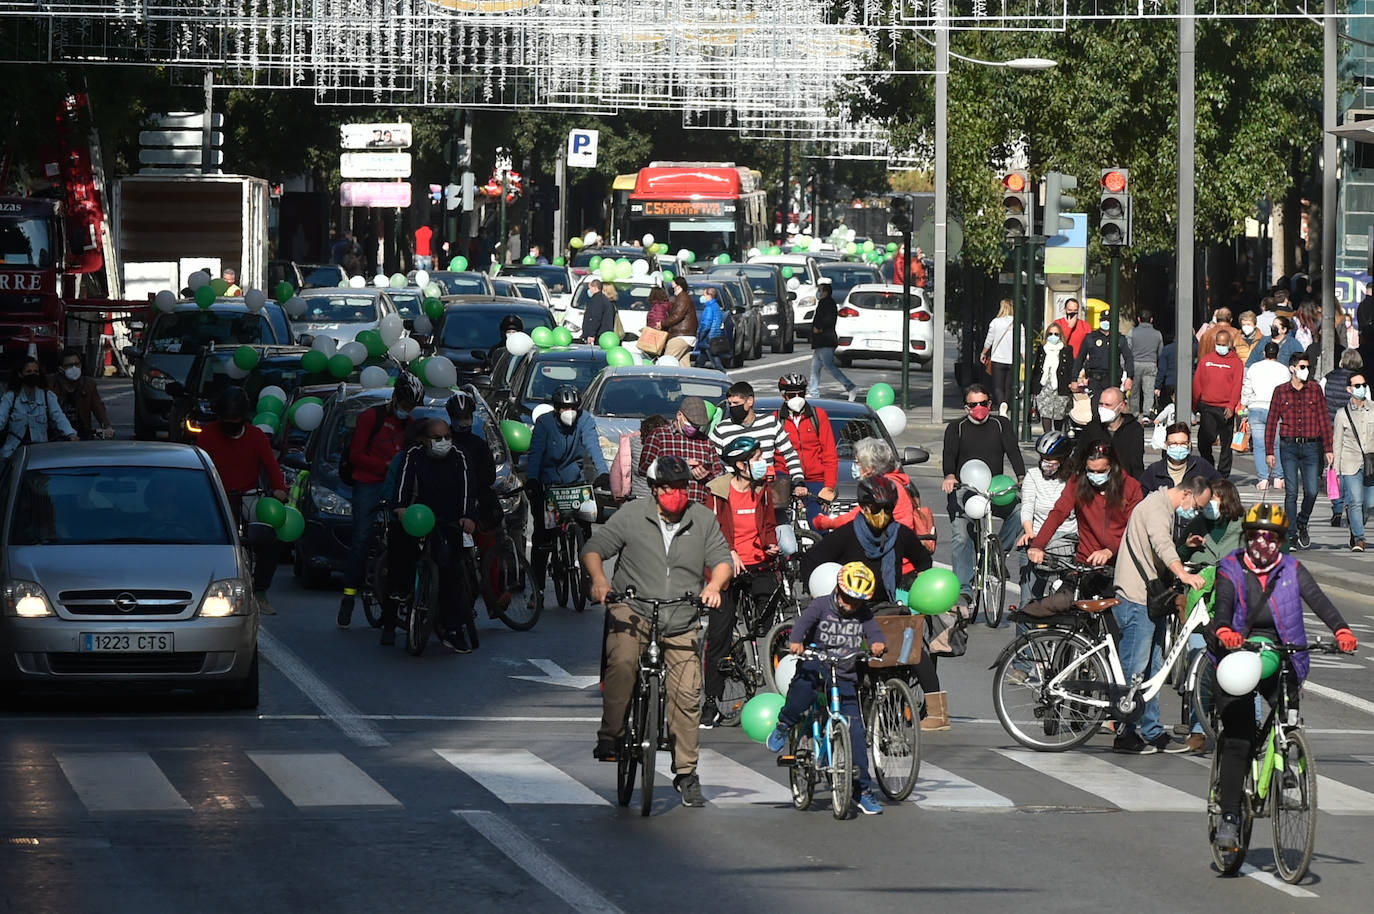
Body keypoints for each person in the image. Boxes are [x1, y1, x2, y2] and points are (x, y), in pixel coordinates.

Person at [583, 455, 732, 807]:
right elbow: (594, 549)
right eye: (668, 488)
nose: (675, 494)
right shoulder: (633, 516)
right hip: (632, 607)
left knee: (687, 692)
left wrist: (714, 587)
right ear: (653, 489)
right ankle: (611, 735)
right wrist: (601, 581)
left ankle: (686, 773)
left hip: (681, 614)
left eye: (681, 488)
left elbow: (722, 560)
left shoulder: (702, 518)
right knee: (622, 663)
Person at [1209, 503, 1358, 853]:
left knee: (1288, 712)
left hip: (1282, 652)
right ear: (1246, 538)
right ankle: (1230, 818)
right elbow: (1223, 611)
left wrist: (1342, 630)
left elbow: (1319, 601)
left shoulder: (1292, 569)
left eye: (1272, 537)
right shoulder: (1230, 568)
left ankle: (1286, 757)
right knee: (1239, 738)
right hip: (1237, 657)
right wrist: (1226, 632)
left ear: (1282, 540)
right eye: (1257, 536)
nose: (1264, 543)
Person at [799, 477, 942, 727]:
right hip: (852, 609)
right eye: (877, 509)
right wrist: (819, 592)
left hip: (886, 607)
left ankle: (938, 714)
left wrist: (915, 582)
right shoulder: (846, 535)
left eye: (888, 508)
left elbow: (923, 560)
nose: (883, 514)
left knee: (913, 649)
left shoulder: (899, 534)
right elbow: (811, 561)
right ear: (864, 508)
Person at [764, 562, 888, 816]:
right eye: (847, 598)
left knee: (855, 733)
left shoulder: (862, 613)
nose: (851, 605)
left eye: (857, 601)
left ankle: (862, 791)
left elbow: (874, 631)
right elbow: (802, 623)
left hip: (844, 675)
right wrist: (797, 641)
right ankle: (785, 724)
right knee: (802, 693)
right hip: (816, 665)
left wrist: (876, 643)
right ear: (838, 590)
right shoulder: (821, 605)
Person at [1110, 475, 1212, 754]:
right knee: (1135, 667)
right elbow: (1161, 546)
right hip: (1135, 597)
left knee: (1154, 668)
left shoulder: (1162, 507)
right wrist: (1184, 574)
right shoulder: (1156, 508)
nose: (1197, 512)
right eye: (1198, 506)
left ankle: (1153, 731)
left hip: (1148, 598)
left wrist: (1184, 549)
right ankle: (1125, 732)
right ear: (1188, 494)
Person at [702, 437, 780, 727]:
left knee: (772, 602)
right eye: (757, 458)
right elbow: (710, 532)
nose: (762, 463)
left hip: (759, 564)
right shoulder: (716, 492)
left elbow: (769, 524)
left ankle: (761, 647)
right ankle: (711, 701)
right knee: (718, 636)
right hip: (726, 569)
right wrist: (729, 552)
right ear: (739, 464)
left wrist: (771, 544)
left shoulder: (763, 490)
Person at [387, 417, 481, 651]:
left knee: (451, 571)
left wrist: (468, 516)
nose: (443, 442)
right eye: (437, 438)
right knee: (400, 545)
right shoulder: (413, 455)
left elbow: (469, 489)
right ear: (424, 440)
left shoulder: (460, 456)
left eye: (447, 437)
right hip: (417, 515)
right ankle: (402, 588)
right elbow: (403, 483)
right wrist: (400, 507)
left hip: (449, 520)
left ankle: (452, 629)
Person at [338, 373, 422, 629]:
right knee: (361, 538)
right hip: (369, 482)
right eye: (404, 405)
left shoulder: (411, 425)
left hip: (397, 485)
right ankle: (349, 595)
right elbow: (356, 455)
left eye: (410, 408)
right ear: (395, 397)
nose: (405, 411)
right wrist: (385, 465)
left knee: (404, 537)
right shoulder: (370, 418)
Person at [195, 388, 288, 615]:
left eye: (235, 421)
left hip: (249, 496)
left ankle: (261, 592)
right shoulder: (207, 435)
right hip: (215, 499)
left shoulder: (256, 436)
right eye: (226, 421)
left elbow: (271, 466)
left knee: (269, 540)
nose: (230, 425)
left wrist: (280, 489)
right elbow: (199, 468)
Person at [527, 384, 610, 609]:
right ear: (556, 409)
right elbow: (535, 454)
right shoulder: (544, 423)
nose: (569, 411)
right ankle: (538, 590)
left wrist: (603, 473)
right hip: (548, 483)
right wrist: (532, 480)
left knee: (585, 530)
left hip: (575, 482)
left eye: (572, 407)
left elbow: (593, 447)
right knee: (543, 539)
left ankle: (590, 579)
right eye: (564, 407)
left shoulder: (585, 421)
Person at [941, 383, 1024, 597]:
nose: (979, 408)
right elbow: (948, 457)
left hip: (994, 488)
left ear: (990, 403)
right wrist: (950, 476)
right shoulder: (956, 428)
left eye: (983, 403)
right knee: (961, 537)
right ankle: (964, 591)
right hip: (965, 490)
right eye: (974, 404)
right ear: (966, 407)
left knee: (1020, 510)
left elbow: (1013, 452)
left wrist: (1022, 477)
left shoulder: (1001, 424)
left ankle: (996, 554)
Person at [1028, 439, 1143, 587]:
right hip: (1086, 563)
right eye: (1091, 471)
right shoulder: (1077, 483)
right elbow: (1058, 513)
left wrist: (1110, 550)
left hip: (1122, 565)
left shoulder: (1131, 487)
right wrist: (1038, 545)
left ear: (1112, 468)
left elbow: (1135, 527)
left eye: (1101, 471)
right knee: (1057, 604)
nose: (1095, 475)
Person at [447, 391, 508, 619]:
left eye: (467, 418)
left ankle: (494, 598)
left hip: (479, 511)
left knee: (489, 551)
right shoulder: (444, 443)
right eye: (459, 418)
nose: (463, 423)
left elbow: (490, 477)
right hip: (451, 510)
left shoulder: (479, 444)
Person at [1264, 353, 1334, 550]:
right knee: (1291, 492)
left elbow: (1324, 419)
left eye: (1308, 367)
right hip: (1289, 447)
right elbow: (1271, 421)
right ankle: (1292, 533)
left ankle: (1302, 521)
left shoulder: (1314, 390)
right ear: (1292, 368)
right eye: (1302, 366)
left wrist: (1328, 447)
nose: (1306, 370)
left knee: (1312, 491)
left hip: (1312, 446)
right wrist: (1269, 451)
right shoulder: (1281, 391)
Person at [709, 381, 807, 502]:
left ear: (750, 401)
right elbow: (713, 460)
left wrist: (798, 481)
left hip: (766, 491)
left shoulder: (770, 423)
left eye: (736, 403)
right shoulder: (722, 429)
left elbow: (790, 454)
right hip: (735, 493)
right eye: (730, 404)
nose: (733, 407)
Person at [1017, 432, 1078, 608]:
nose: (1046, 462)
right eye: (1043, 458)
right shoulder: (1033, 476)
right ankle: (1026, 634)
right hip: (1037, 538)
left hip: (1068, 542)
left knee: (1070, 601)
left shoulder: (1074, 479)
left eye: (1052, 459)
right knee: (1027, 603)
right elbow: (1027, 505)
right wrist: (1029, 531)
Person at [775, 374, 838, 524]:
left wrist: (828, 487)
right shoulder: (776, 419)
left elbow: (830, 455)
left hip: (815, 480)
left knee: (819, 524)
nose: (797, 398)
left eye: (801, 394)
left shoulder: (818, 416)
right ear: (783, 396)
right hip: (785, 478)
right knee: (779, 527)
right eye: (792, 395)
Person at [638, 396, 722, 505]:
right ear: (679, 415)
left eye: (697, 426)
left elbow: (719, 473)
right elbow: (644, 468)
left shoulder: (705, 442)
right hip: (665, 505)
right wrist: (678, 466)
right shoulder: (659, 435)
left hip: (697, 506)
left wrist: (706, 472)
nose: (694, 428)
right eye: (691, 423)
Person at [0, 357, 78, 459]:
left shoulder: (47, 396)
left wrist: (71, 434)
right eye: (28, 371)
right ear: (20, 374)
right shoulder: (10, 397)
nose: (33, 374)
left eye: (35, 371)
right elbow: (1, 418)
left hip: (40, 453)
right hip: (12, 455)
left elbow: (59, 417)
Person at [1192, 326, 1244, 478]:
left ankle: (1223, 474)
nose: (1220, 347)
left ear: (1229, 344)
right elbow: (1198, 382)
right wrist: (1194, 405)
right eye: (1218, 344)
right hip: (1207, 406)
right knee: (1204, 440)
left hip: (1225, 407)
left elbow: (1237, 385)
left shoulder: (1236, 363)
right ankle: (1208, 465)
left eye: (1223, 344)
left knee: (1226, 444)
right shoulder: (1206, 360)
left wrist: (1231, 405)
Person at [1332, 371, 1374, 551]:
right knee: (1355, 501)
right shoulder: (1342, 414)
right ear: (1349, 389)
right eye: (1357, 386)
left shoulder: (1373, 409)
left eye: (1363, 385)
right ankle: (1359, 538)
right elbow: (1337, 442)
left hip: (1370, 463)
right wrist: (1336, 470)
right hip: (1350, 462)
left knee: (1369, 504)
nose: (1361, 388)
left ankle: (1355, 527)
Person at [1322, 349, 1364, 528]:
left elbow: (1320, 398)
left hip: (1330, 427)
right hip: (1353, 431)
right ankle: (1348, 503)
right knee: (1350, 470)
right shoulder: (1360, 382)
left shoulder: (1328, 377)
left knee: (1333, 468)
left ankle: (1337, 506)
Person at [1241, 342, 1290, 491]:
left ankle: (1263, 479)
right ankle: (1278, 477)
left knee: (1259, 445)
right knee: (1275, 445)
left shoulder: (1254, 368)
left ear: (1264, 353)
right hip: (1275, 409)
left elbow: (1246, 388)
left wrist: (1244, 404)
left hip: (1256, 408)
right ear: (1278, 354)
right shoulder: (1284, 370)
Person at [1074, 386, 1145, 481]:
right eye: (1101, 404)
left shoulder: (1134, 429)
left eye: (1108, 405)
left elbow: (1136, 465)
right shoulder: (1091, 428)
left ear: (1121, 407)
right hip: (1094, 483)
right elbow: (1078, 458)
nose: (1103, 408)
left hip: (1123, 484)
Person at [808, 277, 858, 400]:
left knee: (829, 366)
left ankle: (850, 386)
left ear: (825, 292)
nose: (818, 292)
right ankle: (813, 392)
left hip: (826, 340)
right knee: (815, 367)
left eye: (820, 290)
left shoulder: (828, 303)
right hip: (821, 341)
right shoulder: (824, 303)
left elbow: (829, 320)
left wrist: (819, 328)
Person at [49, 348, 113, 440]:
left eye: (77, 364)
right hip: (56, 436)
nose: (74, 368)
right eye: (69, 365)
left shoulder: (89, 384)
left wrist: (107, 426)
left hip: (82, 435)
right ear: (61, 368)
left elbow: (98, 407)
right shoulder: (51, 384)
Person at [1070, 312, 1134, 401]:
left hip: (1113, 379)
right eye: (1103, 320)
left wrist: (1129, 377)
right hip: (1095, 379)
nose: (1106, 322)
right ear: (1100, 321)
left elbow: (1128, 358)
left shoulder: (1119, 338)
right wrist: (1074, 379)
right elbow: (1080, 359)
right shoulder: (1091, 338)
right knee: (1095, 408)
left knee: (1111, 406)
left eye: (1108, 320)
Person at [1140, 423, 1221, 492]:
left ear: (1189, 444)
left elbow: (1222, 488)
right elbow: (1140, 496)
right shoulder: (1154, 471)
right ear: (1166, 445)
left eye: (1183, 443)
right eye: (1173, 443)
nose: (1178, 447)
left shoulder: (1200, 466)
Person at [612, 414, 669, 502]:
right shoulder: (632, 443)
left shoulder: (670, 445)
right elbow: (617, 470)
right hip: (637, 500)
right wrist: (617, 493)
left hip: (662, 501)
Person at [1032, 323, 1074, 433]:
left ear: (1061, 336)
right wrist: (1033, 388)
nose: (1053, 336)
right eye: (1050, 334)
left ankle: (1058, 437)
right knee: (1045, 413)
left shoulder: (1067, 349)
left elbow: (1070, 368)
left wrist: (1072, 384)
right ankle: (1047, 436)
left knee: (1059, 414)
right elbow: (1036, 368)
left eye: (1056, 334)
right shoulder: (1042, 349)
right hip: (1044, 385)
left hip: (1061, 386)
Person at [981, 298, 1018, 414]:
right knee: (1008, 386)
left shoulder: (995, 322)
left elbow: (989, 340)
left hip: (998, 359)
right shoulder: (1017, 323)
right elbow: (1022, 343)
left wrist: (983, 353)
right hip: (1012, 360)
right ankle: (1006, 404)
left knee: (998, 386)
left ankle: (1002, 404)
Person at [1127, 309, 1163, 417]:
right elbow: (1160, 351)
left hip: (1135, 363)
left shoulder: (1132, 332)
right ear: (1151, 320)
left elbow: (1128, 349)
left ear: (1138, 319)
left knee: (1134, 392)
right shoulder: (1158, 334)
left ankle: (1134, 413)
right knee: (1149, 392)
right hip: (1151, 363)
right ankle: (1147, 414)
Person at [663, 276, 700, 366]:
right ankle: (687, 379)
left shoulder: (682, 298)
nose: (672, 290)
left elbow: (676, 316)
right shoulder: (683, 297)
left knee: (666, 362)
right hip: (687, 336)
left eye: (673, 287)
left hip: (680, 336)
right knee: (684, 366)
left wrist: (662, 323)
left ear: (679, 286)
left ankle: (662, 380)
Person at [695, 286, 728, 371]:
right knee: (700, 360)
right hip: (714, 336)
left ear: (709, 295)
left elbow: (706, 324)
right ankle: (696, 373)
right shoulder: (716, 306)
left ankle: (723, 375)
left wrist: (700, 335)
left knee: (716, 363)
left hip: (708, 338)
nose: (703, 297)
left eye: (704, 295)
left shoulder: (709, 308)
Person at [581, 278, 616, 344]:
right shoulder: (604, 299)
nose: (589, 290)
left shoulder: (597, 300)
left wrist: (591, 334)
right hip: (604, 334)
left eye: (590, 288)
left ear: (595, 288)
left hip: (599, 335)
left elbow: (596, 317)